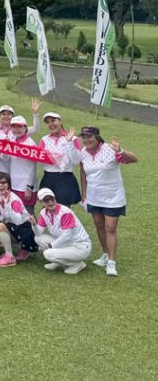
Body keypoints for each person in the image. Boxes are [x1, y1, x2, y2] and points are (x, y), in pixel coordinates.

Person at [77, 126, 138, 277]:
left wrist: (120, 151)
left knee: (110, 227)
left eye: (89, 136)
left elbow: (134, 159)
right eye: (84, 137)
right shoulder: (83, 152)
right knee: (99, 225)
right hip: (94, 196)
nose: (86, 140)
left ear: (97, 137)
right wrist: (84, 192)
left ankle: (111, 262)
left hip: (113, 196)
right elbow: (83, 172)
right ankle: (105, 254)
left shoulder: (110, 149)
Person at [33, 188, 92, 274]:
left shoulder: (65, 212)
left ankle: (77, 264)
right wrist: (34, 225)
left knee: (48, 254)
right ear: (41, 202)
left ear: (55, 198)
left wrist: (51, 245)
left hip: (80, 246)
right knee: (38, 238)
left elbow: (67, 235)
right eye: (46, 200)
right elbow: (38, 233)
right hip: (66, 243)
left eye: (51, 198)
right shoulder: (43, 213)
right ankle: (58, 261)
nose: (50, 202)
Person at [0, 172, 38, 267]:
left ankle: (11, 257)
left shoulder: (14, 200)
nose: (0, 185)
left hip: (24, 229)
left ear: (9, 184)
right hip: (13, 227)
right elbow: (4, 214)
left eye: (3, 183)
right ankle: (13, 250)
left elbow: (18, 221)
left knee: (0, 226)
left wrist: (8, 206)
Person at [37, 112, 81, 206]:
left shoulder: (73, 139)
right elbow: (40, 162)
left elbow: (76, 160)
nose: (51, 124)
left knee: (64, 209)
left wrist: (69, 142)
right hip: (48, 177)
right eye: (48, 122)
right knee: (47, 208)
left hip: (65, 178)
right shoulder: (44, 139)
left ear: (60, 121)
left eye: (53, 120)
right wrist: (49, 158)